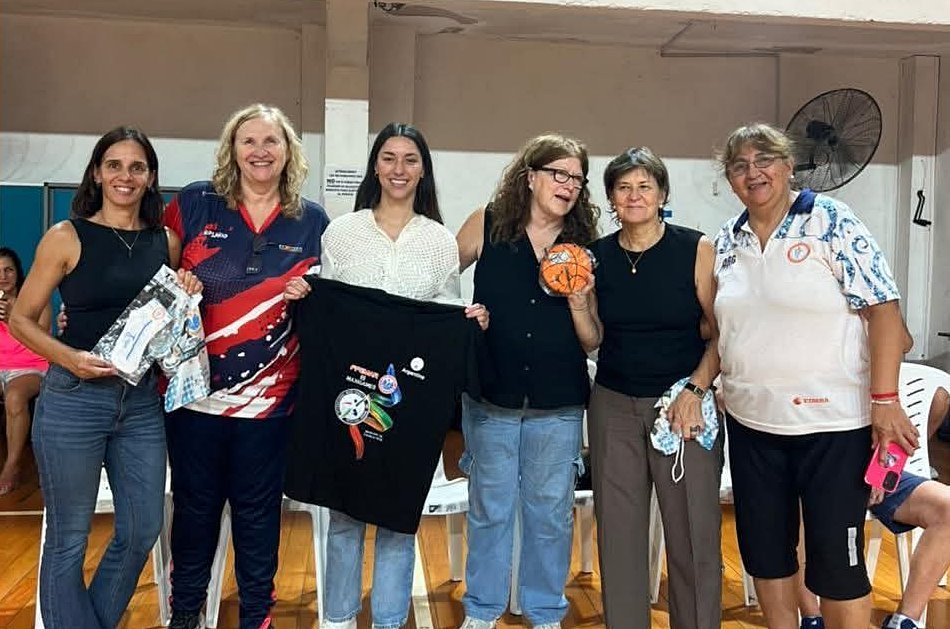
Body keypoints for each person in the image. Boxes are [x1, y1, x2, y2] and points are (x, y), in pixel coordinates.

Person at [713, 122, 919, 629]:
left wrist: (885, 401)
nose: (753, 173)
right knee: (766, 556)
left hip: (832, 428)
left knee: (838, 565)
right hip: (751, 425)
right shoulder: (726, 240)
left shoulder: (832, 221)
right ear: (730, 179)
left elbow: (886, 313)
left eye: (764, 160)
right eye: (739, 166)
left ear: (788, 166)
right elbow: (721, 328)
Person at [283, 122, 488, 629]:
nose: (399, 169)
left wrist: (467, 320)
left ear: (423, 171)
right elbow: (330, 305)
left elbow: (443, 313)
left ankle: (390, 621)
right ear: (375, 166)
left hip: (409, 402)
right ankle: (338, 619)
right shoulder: (342, 232)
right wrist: (306, 294)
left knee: (399, 516)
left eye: (410, 160)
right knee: (344, 513)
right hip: (350, 391)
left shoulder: (438, 241)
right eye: (390, 158)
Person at [8, 126, 201, 628]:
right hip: (73, 399)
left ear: (151, 177)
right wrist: (71, 358)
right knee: (68, 539)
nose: (125, 176)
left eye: (137, 167)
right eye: (114, 165)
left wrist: (187, 290)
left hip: (139, 404)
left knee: (141, 530)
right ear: (96, 173)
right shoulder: (66, 237)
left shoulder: (166, 242)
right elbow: (22, 319)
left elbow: (165, 322)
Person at [162, 104, 330, 629]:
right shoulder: (194, 204)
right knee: (194, 511)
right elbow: (149, 276)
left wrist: (311, 295)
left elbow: (330, 305)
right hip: (193, 397)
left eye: (271, 141)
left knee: (258, 517)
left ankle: (257, 616)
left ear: (288, 151)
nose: (260, 151)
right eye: (248, 141)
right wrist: (177, 282)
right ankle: (185, 613)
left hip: (271, 404)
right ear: (231, 150)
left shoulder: (312, 221)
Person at [454, 134, 600, 629]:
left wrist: (579, 305)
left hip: (558, 402)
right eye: (559, 173)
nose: (569, 185)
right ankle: (482, 611)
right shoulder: (487, 223)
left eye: (577, 178)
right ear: (530, 176)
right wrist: (463, 316)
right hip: (491, 395)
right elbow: (436, 281)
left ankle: (544, 613)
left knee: (550, 514)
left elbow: (593, 340)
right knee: (490, 510)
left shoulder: (585, 247)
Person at [585, 147, 722, 629]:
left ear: (662, 194)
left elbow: (721, 332)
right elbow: (593, 337)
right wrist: (578, 303)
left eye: (645, 186)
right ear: (610, 198)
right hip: (613, 404)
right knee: (618, 536)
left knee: (693, 533)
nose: (634, 195)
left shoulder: (696, 248)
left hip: (683, 405)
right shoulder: (597, 257)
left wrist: (696, 391)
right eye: (624, 187)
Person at [797, 387, 950, 629]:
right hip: (816, 466)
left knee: (947, 508)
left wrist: (883, 470)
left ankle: (904, 620)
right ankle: (812, 617)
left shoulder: (881, 386)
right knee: (799, 499)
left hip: (873, 470)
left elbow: (936, 399)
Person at [0, 246, 49, 495]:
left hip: (30, 367)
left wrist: (13, 318)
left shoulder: (35, 299)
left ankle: (12, 466)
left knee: (15, 397)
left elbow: (43, 341)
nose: (3, 276)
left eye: (8, 270)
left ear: (18, 272)